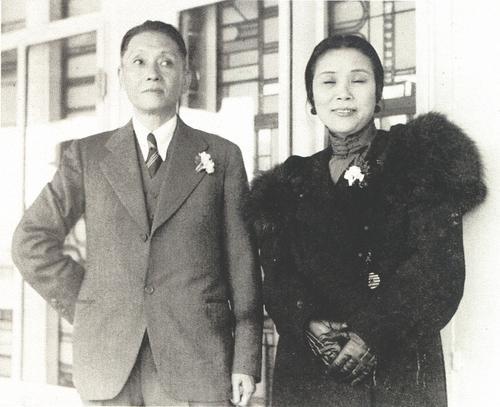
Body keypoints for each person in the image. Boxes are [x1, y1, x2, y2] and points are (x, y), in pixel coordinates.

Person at [12, 20, 262, 406]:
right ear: (120, 76)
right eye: (139, 62)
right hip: (109, 362)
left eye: (166, 62)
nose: (152, 72)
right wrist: (90, 303)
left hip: (197, 360)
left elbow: (243, 265)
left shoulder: (222, 156)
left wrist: (246, 358)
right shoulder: (87, 156)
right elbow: (30, 242)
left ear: (187, 76)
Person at [246, 34, 486, 407]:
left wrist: (371, 336)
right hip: (311, 377)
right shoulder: (287, 183)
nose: (343, 94)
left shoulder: (418, 160)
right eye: (328, 82)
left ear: (378, 96)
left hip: (397, 375)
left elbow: (438, 271)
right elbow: (278, 279)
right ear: (311, 100)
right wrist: (308, 325)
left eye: (358, 80)